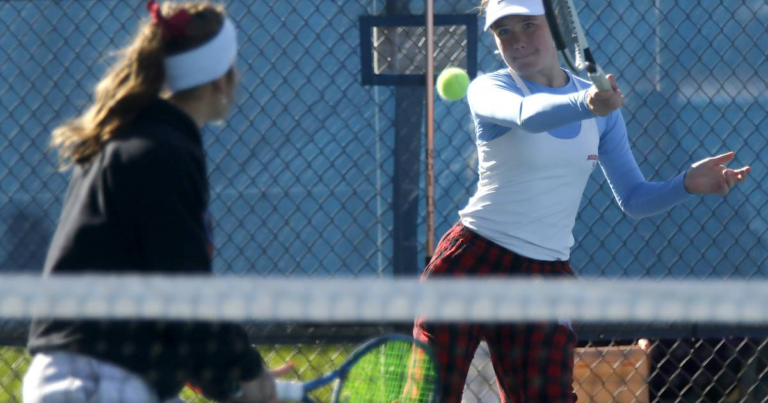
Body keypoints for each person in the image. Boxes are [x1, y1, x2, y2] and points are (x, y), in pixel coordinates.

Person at [413, 0, 751, 402]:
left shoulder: (603, 112)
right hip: (472, 260)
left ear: (554, 27)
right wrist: (587, 103)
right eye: (504, 31)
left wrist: (686, 184)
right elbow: (528, 114)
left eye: (527, 25)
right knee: (430, 396)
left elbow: (634, 198)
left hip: (545, 276)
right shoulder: (491, 88)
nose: (517, 40)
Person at [23, 1, 289, 402]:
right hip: (99, 380)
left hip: (91, 374)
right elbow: (183, 289)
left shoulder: (134, 141)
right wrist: (246, 371)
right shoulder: (160, 152)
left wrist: (232, 377)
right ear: (222, 79)